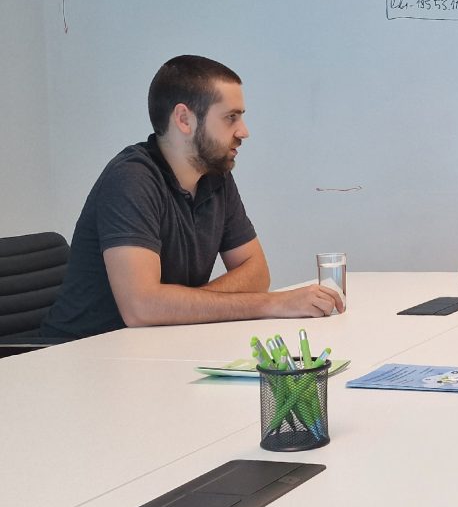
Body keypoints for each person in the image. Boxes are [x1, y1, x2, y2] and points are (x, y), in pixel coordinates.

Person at [41, 55, 344, 340]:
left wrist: (183, 303)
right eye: (230, 117)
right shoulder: (131, 179)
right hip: (81, 358)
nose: (244, 131)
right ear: (184, 119)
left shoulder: (215, 175)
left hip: (156, 349)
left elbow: (256, 272)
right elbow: (142, 308)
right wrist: (272, 304)